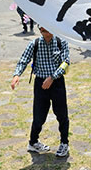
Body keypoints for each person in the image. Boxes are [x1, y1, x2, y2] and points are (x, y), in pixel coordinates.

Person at [10, 26, 71, 157]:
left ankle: (64, 143)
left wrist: (52, 77)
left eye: (48, 30)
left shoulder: (61, 42)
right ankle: (33, 142)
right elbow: (23, 60)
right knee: (38, 116)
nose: (46, 33)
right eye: (43, 31)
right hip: (40, 84)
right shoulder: (35, 44)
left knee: (62, 115)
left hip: (57, 83)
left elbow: (65, 62)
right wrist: (17, 75)